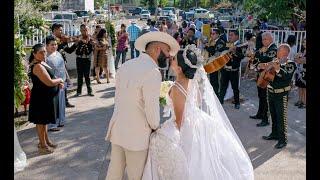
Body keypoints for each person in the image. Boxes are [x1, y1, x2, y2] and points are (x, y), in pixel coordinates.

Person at [142, 44, 254, 180]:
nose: (170, 60)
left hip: (185, 124)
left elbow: (179, 121)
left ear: (179, 68)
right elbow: (198, 101)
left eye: (174, 60)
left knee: (157, 142)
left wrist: (163, 132)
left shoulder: (177, 88)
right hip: (197, 119)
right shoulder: (191, 82)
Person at [105, 31, 180, 180]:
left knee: (114, 173)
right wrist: (156, 128)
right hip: (137, 135)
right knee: (136, 175)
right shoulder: (152, 72)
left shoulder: (126, 65)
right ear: (157, 49)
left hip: (118, 128)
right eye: (166, 52)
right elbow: (151, 109)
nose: (168, 57)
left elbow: (118, 98)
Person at [28, 44, 64, 154]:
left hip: (45, 97)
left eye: (44, 51)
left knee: (44, 122)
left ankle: (46, 141)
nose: (44, 54)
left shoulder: (41, 62)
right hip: (40, 98)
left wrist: (57, 83)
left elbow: (50, 79)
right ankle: (42, 146)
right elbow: (49, 82)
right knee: (40, 122)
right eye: (41, 52)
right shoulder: (37, 66)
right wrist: (60, 80)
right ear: (34, 54)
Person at [262, 44, 297, 149]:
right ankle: (274, 134)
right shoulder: (275, 61)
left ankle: (283, 140)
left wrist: (278, 69)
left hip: (281, 95)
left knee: (281, 117)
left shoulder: (290, 64)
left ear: (285, 53)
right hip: (271, 92)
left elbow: (286, 77)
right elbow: (269, 74)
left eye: (279, 51)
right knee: (273, 115)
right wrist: (263, 66)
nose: (277, 52)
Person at [250, 32, 277, 127]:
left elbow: (266, 59)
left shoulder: (273, 48)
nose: (263, 41)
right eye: (262, 39)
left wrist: (259, 54)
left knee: (266, 98)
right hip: (261, 75)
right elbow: (255, 60)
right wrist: (258, 55)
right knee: (261, 96)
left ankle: (265, 119)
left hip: (267, 77)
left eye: (265, 39)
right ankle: (260, 114)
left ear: (271, 39)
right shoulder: (264, 49)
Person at [64, 24, 94, 97]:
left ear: (88, 30)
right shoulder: (78, 39)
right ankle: (78, 91)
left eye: (86, 30)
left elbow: (95, 46)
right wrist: (65, 45)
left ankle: (90, 91)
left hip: (87, 59)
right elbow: (70, 50)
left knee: (87, 76)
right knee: (80, 76)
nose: (85, 32)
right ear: (80, 31)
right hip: (79, 59)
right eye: (83, 30)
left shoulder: (91, 39)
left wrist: (93, 44)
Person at [50, 23, 75, 108]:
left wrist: (76, 43)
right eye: (60, 30)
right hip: (54, 65)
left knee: (63, 83)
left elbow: (69, 51)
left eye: (62, 30)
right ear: (54, 30)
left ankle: (65, 101)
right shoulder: (50, 40)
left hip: (62, 64)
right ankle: (56, 103)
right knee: (56, 84)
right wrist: (61, 43)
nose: (62, 32)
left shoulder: (62, 40)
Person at [45, 36, 67, 132]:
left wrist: (68, 79)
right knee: (53, 104)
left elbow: (63, 67)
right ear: (46, 46)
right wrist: (57, 82)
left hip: (62, 82)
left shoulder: (58, 53)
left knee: (61, 103)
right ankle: (51, 124)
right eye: (52, 45)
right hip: (53, 83)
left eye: (55, 44)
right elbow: (47, 73)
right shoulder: (45, 58)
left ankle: (60, 120)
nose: (54, 46)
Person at [219, 30, 245, 109]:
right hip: (225, 69)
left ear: (237, 36)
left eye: (231, 35)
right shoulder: (227, 43)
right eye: (229, 35)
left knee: (235, 88)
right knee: (223, 87)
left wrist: (234, 52)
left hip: (234, 71)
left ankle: (237, 103)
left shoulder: (241, 45)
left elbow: (242, 56)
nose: (230, 36)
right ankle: (220, 102)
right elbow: (221, 51)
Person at [204, 28, 228, 95]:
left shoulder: (220, 42)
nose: (212, 35)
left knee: (216, 80)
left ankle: (216, 94)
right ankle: (213, 94)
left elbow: (215, 52)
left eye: (213, 34)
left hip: (218, 64)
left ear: (218, 35)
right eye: (211, 34)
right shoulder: (212, 41)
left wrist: (207, 47)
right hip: (213, 63)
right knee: (212, 79)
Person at [294, 38, 306, 108]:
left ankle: (304, 103)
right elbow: (295, 59)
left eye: (305, 42)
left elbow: (303, 61)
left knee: (304, 88)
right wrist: (299, 59)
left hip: (305, 72)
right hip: (299, 72)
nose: (304, 44)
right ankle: (300, 101)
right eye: (303, 42)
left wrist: (299, 59)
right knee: (299, 87)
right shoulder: (302, 51)